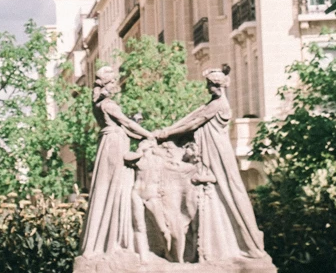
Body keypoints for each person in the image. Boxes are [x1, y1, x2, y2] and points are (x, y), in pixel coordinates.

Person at [153, 66, 268, 260]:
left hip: (217, 152)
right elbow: (191, 117)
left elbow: (194, 123)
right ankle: (219, 245)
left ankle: (248, 242)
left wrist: (166, 133)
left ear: (217, 85)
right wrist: (169, 130)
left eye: (209, 85)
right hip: (212, 150)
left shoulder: (218, 104)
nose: (207, 88)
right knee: (219, 193)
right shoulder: (213, 103)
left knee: (230, 190)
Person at [79, 66, 151, 257]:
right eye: (112, 82)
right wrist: (150, 135)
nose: (115, 85)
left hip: (109, 143)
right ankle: (114, 242)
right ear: (106, 84)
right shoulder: (108, 105)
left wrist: (140, 134)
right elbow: (127, 124)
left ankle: (107, 239)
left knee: (110, 187)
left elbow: (125, 126)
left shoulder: (98, 104)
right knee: (117, 188)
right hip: (115, 144)